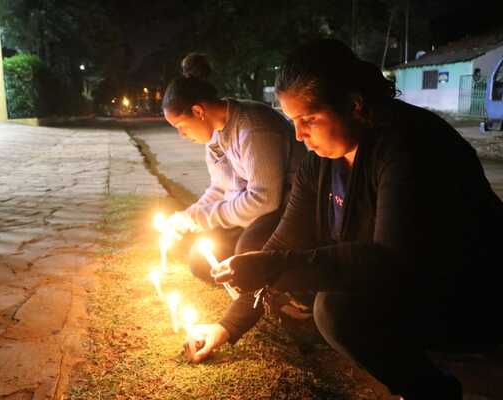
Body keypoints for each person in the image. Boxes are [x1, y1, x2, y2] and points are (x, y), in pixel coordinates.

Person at [187, 39, 503, 400]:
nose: (298, 134)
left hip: (472, 291)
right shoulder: (321, 161)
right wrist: (227, 326)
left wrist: (276, 266)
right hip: (408, 281)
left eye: (309, 120)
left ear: (354, 105)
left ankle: (433, 391)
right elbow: (282, 245)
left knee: (336, 310)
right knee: (296, 271)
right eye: (293, 121)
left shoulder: (408, 146)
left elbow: (388, 260)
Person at [162, 53, 305, 281]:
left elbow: (265, 200)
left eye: (181, 126)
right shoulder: (215, 135)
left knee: (245, 253)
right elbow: (220, 188)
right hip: (253, 216)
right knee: (200, 260)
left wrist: (202, 218)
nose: (182, 135)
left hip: (286, 213)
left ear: (198, 112)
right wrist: (188, 217)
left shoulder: (253, 128)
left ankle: (284, 296)